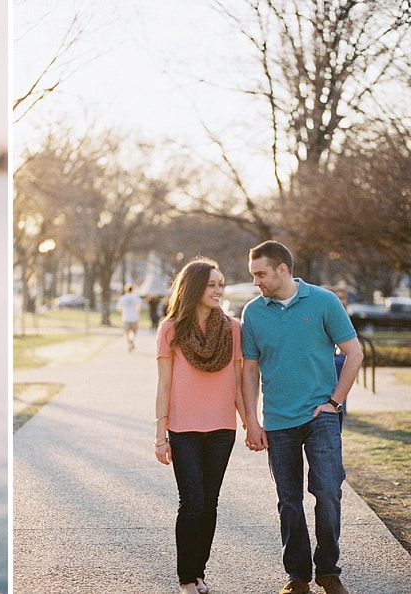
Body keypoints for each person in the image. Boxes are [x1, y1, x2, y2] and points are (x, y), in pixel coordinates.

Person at [240, 241, 363, 594]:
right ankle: (297, 576)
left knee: (327, 491)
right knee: (289, 499)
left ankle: (328, 570)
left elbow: (353, 354)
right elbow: (249, 370)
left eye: (260, 274)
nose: (256, 282)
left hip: (320, 414)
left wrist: (335, 402)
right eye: (253, 275)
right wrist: (251, 419)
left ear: (282, 269)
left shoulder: (323, 302)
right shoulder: (253, 312)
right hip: (278, 420)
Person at [154, 257, 246, 594]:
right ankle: (185, 579)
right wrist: (160, 435)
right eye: (211, 284)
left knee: (210, 502)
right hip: (183, 430)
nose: (218, 290)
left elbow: (237, 382)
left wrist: (251, 422)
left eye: (220, 284)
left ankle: (199, 572)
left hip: (223, 429)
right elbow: (164, 385)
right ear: (194, 288)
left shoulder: (234, 329)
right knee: (192, 502)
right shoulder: (171, 330)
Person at [116, 283, 143, 351]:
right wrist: (136, 311)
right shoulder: (136, 297)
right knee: (134, 332)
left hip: (126, 317)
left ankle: (129, 344)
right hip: (134, 317)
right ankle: (131, 342)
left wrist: (124, 310)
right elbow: (139, 307)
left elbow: (118, 308)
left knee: (127, 333)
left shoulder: (123, 298)